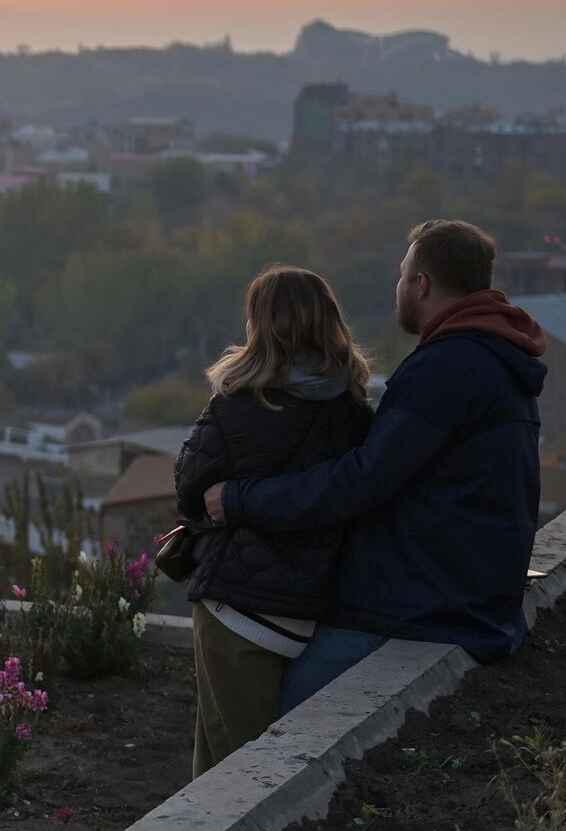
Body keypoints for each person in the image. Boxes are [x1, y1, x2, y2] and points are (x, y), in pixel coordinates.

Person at [205, 219, 546, 713]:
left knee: (285, 724)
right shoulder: (494, 356)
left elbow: (359, 481)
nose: (399, 287)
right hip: (471, 589)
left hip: (426, 605)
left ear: (421, 284)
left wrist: (240, 499)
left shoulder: (448, 368)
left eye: (403, 274)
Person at [174, 266, 374, 776]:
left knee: (235, 773)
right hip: (307, 607)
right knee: (221, 759)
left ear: (261, 327)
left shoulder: (239, 403)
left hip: (236, 610)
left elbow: (188, 488)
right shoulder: (354, 412)